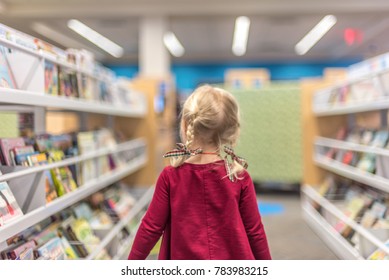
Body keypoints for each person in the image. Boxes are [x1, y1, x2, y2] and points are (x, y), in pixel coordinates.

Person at [128, 84, 271, 260]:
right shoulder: (238, 176)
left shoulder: (170, 176)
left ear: (186, 123)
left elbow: (151, 228)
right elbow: (254, 231)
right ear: (231, 128)